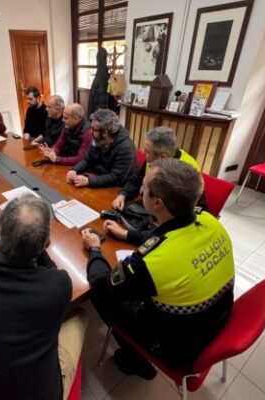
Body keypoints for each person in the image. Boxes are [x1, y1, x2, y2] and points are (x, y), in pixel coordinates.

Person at [81, 158, 235, 380]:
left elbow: (102, 285)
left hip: (178, 347)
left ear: (157, 203)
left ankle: (137, 361)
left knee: (100, 295)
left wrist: (95, 249)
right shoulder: (210, 221)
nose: (141, 190)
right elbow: (162, 235)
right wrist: (127, 235)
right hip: (217, 320)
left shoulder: (150, 262)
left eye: (144, 187)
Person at [0, 195, 88, 400]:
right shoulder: (57, 287)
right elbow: (52, 273)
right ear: (47, 244)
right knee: (80, 316)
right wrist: (36, 246)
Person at [106, 126, 207, 245]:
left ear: (163, 157)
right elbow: (137, 179)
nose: (142, 152)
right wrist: (123, 194)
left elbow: (195, 212)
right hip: (152, 210)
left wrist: (126, 234)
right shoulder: (155, 158)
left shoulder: (186, 171)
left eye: (147, 151)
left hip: (168, 226)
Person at [66, 108, 137, 188]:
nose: (90, 132)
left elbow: (116, 178)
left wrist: (89, 180)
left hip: (115, 189)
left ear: (105, 132)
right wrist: (74, 170)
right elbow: (86, 160)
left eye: (93, 129)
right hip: (97, 180)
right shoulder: (98, 139)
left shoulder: (125, 148)